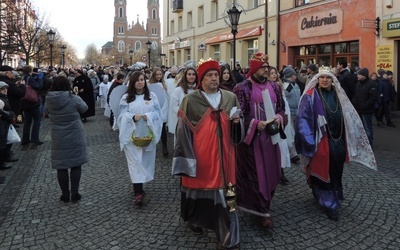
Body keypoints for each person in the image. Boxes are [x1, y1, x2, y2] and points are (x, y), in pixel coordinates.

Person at [172, 59, 243, 249]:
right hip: (201, 158)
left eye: (216, 75)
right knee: (198, 192)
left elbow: (238, 132)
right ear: (201, 79)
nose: (214, 79)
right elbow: (182, 134)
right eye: (209, 75)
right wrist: (186, 162)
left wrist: (237, 124)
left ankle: (227, 237)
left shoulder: (230, 98)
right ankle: (196, 220)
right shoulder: (190, 101)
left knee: (226, 195)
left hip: (226, 157)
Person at [295, 66, 377, 221]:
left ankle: (333, 193)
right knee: (323, 169)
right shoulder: (311, 96)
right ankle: (328, 202)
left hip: (338, 139)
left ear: (333, 80)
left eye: (328, 77)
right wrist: (309, 141)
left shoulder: (339, 95)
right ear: (317, 79)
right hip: (321, 141)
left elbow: (347, 114)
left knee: (336, 169)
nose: (325, 80)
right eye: (322, 77)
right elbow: (302, 120)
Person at [233, 52, 285, 229]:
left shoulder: (275, 87)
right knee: (256, 175)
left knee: (271, 172)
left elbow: (281, 108)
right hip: (252, 141)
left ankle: (266, 205)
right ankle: (262, 211)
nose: (266, 69)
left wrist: (279, 117)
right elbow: (238, 114)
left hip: (271, 139)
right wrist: (255, 123)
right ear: (254, 69)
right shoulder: (242, 88)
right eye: (262, 67)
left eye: (267, 67)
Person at [115, 71, 162, 206]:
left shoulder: (151, 96)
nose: (140, 82)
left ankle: (139, 185)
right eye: (137, 80)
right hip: (131, 137)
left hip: (147, 134)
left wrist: (149, 116)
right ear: (133, 82)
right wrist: (131, 117)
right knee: (134, 163)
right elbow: (121, 115)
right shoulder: (126, 98)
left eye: (142, 80)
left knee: (145, 161)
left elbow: (158, 113)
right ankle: (138, 192)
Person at [45, 76, 88, 203]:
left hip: (58, 135)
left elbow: (47, 112)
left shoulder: (49, 99)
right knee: (75, 164)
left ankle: (65, 194)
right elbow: (84, 108)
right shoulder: (73, 98)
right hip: (75, 133)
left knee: (61, 166)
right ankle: (75, 193)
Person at [268, 67, 292, 184]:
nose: (273, 75)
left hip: (282, 118)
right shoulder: (267, 87)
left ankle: (281, 171)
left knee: (282, 146)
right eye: (271, 73)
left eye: (275, 73)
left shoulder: (280, 86)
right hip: (272, 119)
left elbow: (284, 103)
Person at [352, 68, 378, 147]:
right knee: (359, 127)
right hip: (358, 109)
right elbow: (355, 95)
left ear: (364, 75)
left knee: (368, 127)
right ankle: (361, 143)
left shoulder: (371, 84)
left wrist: (366, 105)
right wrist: (354, 104)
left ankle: (369, 144)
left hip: (367, 110)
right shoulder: (358, 84)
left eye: (359, 74)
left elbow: (373, 97)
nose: (357, 76)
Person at [168, 66, 197, 136]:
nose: (191, 76)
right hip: (182, 121)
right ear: (185, 76)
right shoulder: (178, 90)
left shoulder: (198, 90)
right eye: (189, 74)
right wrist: (185, 111)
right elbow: (173, 106)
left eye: (193, 74)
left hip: (196, 122)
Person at [148, 67, 169, 157]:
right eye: (157, 74)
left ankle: (165, 147)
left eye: (160, 74)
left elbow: (166, 95)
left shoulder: (164, 84)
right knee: (153, 127)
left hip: (163, 107)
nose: (158, 76)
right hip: (154, 107)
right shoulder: (150, 85)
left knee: (163, 127)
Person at [20, 65, 44, 145]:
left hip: (25, 101)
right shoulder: (30, 78)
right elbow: (38, 86)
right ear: (30, 70)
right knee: (37, 120)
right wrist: (40, 79)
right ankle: (35, 138)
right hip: (32, 102)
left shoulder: (23, 78)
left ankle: (25, 139)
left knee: (27, 121)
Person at [281, 66, 300, 164]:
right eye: (294, 74)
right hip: (289, 113)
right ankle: (293, 155)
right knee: (291, 133)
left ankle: (295, 151)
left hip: (297, 112)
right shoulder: (286, 85)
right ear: (290, 76)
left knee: (295, 133)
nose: (295, 76)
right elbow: (284, 97)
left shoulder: (295, 85)